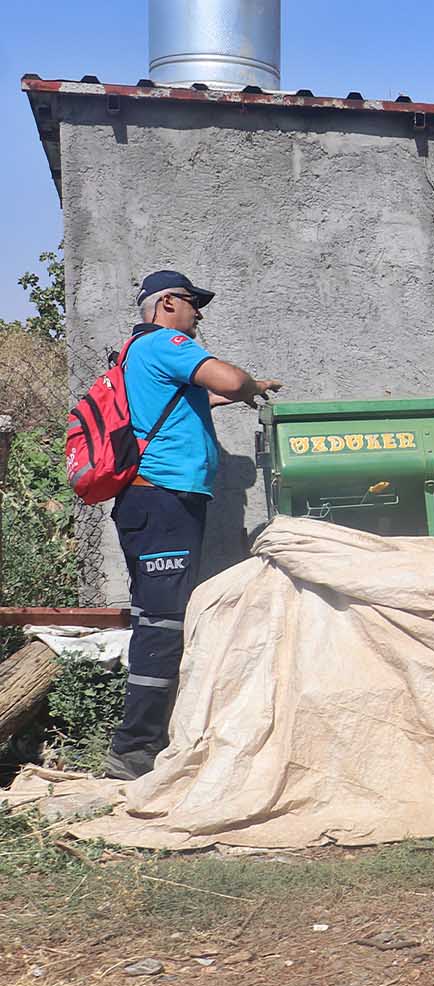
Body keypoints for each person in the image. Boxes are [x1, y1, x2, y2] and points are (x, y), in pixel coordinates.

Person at [104, 271, 282, 781]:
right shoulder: (164, 341)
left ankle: (145, 742)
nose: (199, 312)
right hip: (162, 502)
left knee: (159, 617)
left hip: (153, 504)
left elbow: (197, 398)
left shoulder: (135, 353)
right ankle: (133, 750)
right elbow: (225, 379)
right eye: (192, 303)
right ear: (165, 304)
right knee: (163, 622)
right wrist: (245, 382)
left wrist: (253, 388)